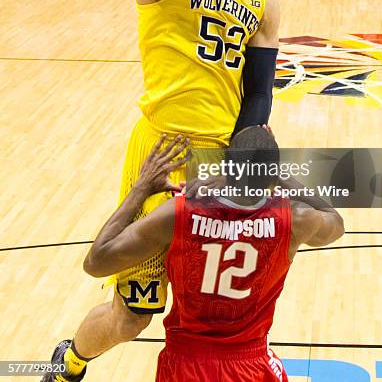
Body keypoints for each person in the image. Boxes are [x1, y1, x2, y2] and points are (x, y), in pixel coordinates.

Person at [42, 0, 279, 382]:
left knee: (219, 305)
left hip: (218, 162)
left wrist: (245, 168)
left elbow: (259, 92)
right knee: (137, 311)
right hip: (160, 151)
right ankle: (70, 361)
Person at [80, 126, 344, 381]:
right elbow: (335, 222)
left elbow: (96, 262)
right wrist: (281, 176)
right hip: (249, 365)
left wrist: (141, 188)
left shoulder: (179, 212)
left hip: (184, 364)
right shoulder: (294, 221)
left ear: (225, 168)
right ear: (271, 175)